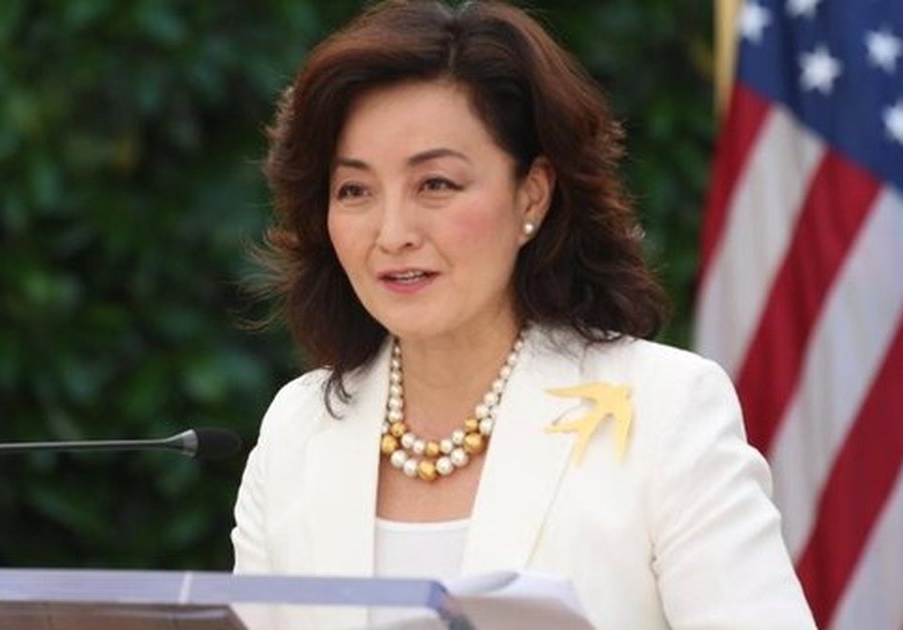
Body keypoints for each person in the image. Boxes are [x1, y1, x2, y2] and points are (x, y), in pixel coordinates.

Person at [231, 1, 816, 627]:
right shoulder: (297, 428)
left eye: (436, 184)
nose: (392, 232)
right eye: (355, 191)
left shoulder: (665, 407)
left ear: (532, 195)